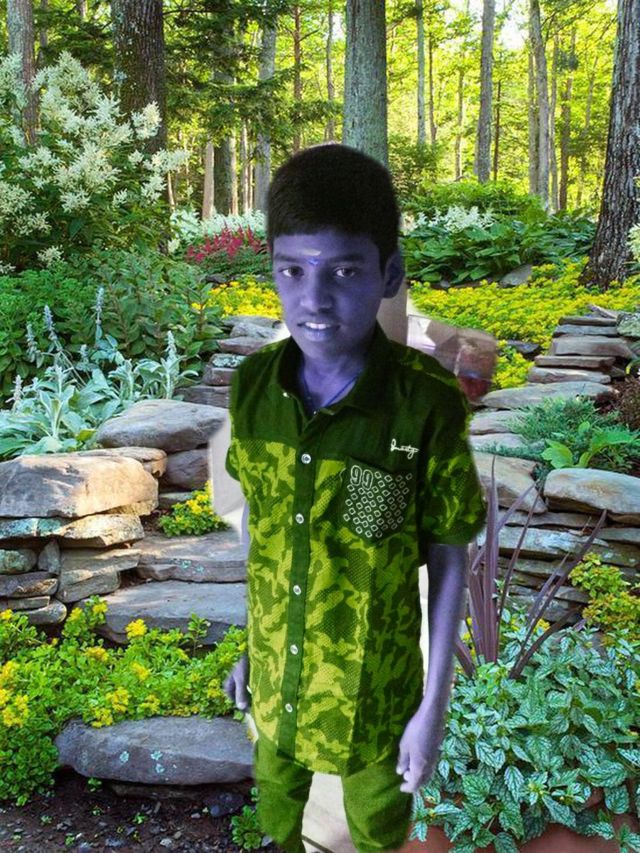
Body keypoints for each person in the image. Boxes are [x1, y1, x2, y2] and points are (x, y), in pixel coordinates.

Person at [218, 143, 487, 853]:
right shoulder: (253, 390)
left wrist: (433, 707)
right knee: (276, 818)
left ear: (388, 274)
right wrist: (251, 647)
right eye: (293, 270)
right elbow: (263, 529)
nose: (314, 299)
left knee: (376, 833)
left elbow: (449, 555)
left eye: (344, 271)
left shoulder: (424, 404)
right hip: (276, 688)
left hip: (376, 700)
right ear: (272, 269)